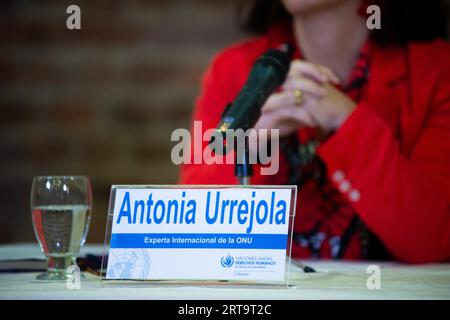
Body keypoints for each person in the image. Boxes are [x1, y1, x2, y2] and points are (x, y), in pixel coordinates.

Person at [179, 0, 450, 263]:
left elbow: (432, 242)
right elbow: (190, 235)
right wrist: (251, 146)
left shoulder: (437, 71)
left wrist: (347, 122)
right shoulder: (234, 68)